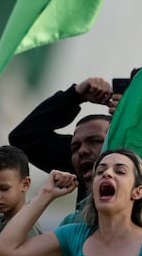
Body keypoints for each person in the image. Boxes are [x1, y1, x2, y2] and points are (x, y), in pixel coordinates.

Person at [0, 148, 142, 256]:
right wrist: (45, 194)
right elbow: (4, 250)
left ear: (138, 192)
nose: (107, 173)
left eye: (120, 171)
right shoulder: (74, 236)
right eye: (100, 171)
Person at [9, 77, 118, 205]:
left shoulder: (134, 160)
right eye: (75, 148)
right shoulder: (73, 224)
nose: (82, 151)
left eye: (95, 141)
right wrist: (75, 96)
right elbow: (23, 137)